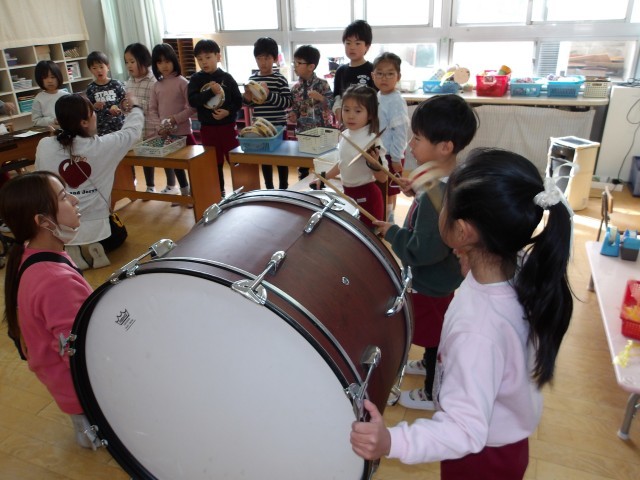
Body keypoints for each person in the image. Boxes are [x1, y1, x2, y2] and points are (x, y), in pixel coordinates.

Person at [351, 148, 574, 479]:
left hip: (481, 457)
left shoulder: (478, 331)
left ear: (465, 232)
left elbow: (463, 430)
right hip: (505, 436)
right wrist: (469, 258)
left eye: (445, 206)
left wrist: (392, 441)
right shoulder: (521, 268)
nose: (439, 209)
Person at [375, 94, 477, 410]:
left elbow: (424, 249)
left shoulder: (438, 194)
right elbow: (433, 207)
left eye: (417, 139)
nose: (411, 145)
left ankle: (433, 391)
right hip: (443, 278)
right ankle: (429, 363)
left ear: (444, 147)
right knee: (435, 332)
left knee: (435, 338)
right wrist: (416, 190)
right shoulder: (451, 178)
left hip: (431, 281)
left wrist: (392, 232)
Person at [0, 171, 102, 449]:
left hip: (64, 381)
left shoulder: (32, 252)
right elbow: (76, 352)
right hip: (79, 390)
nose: (74, 200)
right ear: (43, 221)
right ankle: (88, 433)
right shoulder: (55, 280)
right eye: (64, 197)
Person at [35, 93, 143, 269]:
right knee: (120, 234)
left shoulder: (45, 145)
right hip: (97, 221)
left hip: (61, 222)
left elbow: (40, 175)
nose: (95, 116)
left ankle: (73, 248)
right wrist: (136, 107)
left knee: (69, 231)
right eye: (93, 113)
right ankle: (96, 246)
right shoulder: (103, 146)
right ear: (84, 122)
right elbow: (132, 132)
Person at [315, 85, 387, 229]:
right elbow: (343, 163)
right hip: (348, 194)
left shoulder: (372, 140)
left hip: (368, 198)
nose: (350, 115)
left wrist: (374, 164)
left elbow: (383, 178)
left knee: (368, 237)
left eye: (358, 111)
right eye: (346, 110)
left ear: (370, 114)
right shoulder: (345, 135)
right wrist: (324, 177)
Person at [188, 39, 242, 198]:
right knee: (214, 162)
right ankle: (220, 192)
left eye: (208, 57)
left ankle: (241, 190)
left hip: (228, 127)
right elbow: (193, 101)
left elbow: (238, 101)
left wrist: (228, 112)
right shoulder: (196, 79)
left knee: (235, 160)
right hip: (208, 129)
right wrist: (210, 92)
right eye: (200, 59)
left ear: (218, 57)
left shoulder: (227, 78)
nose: (204, 62)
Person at [243, 37, 292, 189]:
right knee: (265, 159)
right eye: (259, 58)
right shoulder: (253, 79)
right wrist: (247, 98)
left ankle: (283, 187)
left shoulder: (279, 79)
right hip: (260, 128)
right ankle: (269, 187)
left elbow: (287, 102)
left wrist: (269, 94)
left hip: (278, 127)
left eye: (267, 58)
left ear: (275, 59)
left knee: (281, 159)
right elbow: (252, 104)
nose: (263, 62)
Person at [149, 43, 196, 204]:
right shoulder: (156, 85)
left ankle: (195, 194)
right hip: (166, 135)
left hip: (184, 133)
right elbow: (152, 109)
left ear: (174, 61)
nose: (164, 65)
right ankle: (184, 193)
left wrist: (175, 119)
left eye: (167, 61)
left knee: (191, 164)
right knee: (176, 166)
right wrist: (159, 127)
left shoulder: (182, 82)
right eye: (159, 62)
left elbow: (192, 108)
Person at [372, 52, 409, 223]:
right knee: (382, 187)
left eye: (390, 74)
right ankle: (384, 217)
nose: (384, 78)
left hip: (391, 154)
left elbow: (401, 131)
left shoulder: (396, 100)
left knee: (390, 190)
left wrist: (396, 157)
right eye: (379, 73)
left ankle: (389, 219)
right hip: (380, 152)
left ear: (398, 77)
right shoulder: (378, 96)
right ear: (373, 75)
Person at [288, 44, 334, 180]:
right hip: (303, 134)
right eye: (294, 63)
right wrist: (293, 115)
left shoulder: (323, 84)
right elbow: (295, 108)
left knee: (323, 166)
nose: (295, 66)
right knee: (303, 167)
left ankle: (322, 187)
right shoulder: (295, 88)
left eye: (298, 63)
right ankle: (303, 188)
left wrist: (321, 98)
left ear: (311, 66)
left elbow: (332, 105)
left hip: (322, 134)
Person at [124, 43, 159, 195]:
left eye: (132, 61)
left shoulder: (153, 80)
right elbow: (127, 103)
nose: (129, 65)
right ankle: (147, 185)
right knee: (141, 156)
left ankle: (170, 185)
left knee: (160, 158)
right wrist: (125, 105)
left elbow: (155, 105)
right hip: (137, 127)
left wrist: (136, 104)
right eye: (126, 62)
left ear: (144, 61)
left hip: (151, 127)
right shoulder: (129, 81)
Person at [332, 20, 376, 125]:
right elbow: (337, 96)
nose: (352, 47)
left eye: (357, 43)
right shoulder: (340, 71)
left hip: (367, 125)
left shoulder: (373, 70)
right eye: (348, 43)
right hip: (347, 123)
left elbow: (377, 98)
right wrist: (337, 109)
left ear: (367, 47)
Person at [85, 51, 126, 136]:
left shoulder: (116, 84)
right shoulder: (90, 88)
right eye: (94, 68)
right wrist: (94, 106)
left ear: (107, 67)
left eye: (101, 67)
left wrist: (119, 109)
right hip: (102, 128)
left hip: (119, 124)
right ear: (90, 70)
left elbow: (124, 101)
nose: (99, 70)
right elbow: (88, 109)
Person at [31, 61, 69, 128]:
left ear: (58, 77)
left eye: (53, 77)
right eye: (45, 78)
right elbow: (36, 121)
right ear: (40, 79)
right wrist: (53, 120)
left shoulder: (66, 96)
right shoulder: (39, 98)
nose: (49, 81)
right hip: (50, 131)